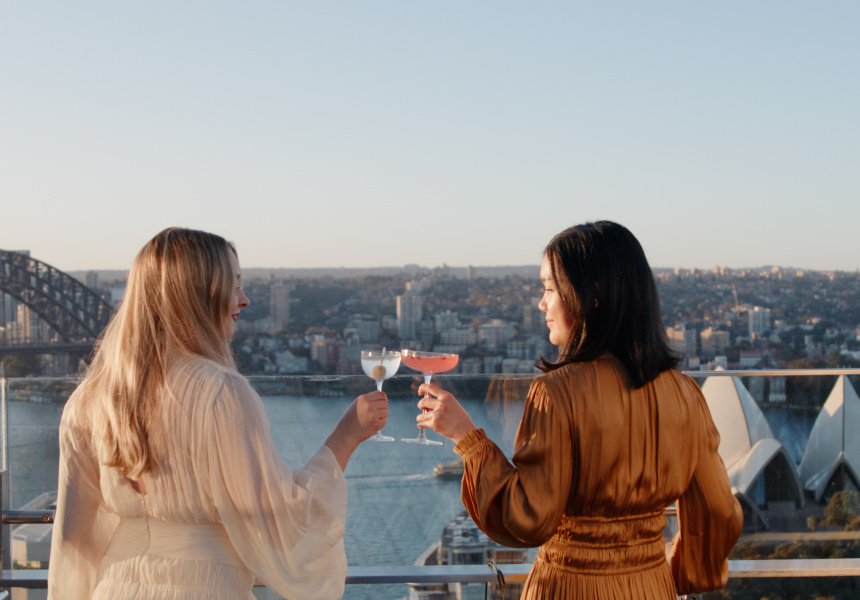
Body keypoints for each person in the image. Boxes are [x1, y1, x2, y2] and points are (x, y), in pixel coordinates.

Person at [48, 228, 389, 600]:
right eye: (233, 285)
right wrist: (347, 435)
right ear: (197, 295)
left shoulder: (89, 397)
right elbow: (282, 522)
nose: (244, 300)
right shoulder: (222, 393)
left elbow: (72, 538)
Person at [417, 221, 742, 599]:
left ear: (591, 296)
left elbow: (528, 518)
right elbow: (718, 510)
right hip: (652, 586)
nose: (542, 303)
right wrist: (678, 571)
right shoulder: (686, 394)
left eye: (549, 288)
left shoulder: (556, 393)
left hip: (569, 587)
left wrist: (468, 439)